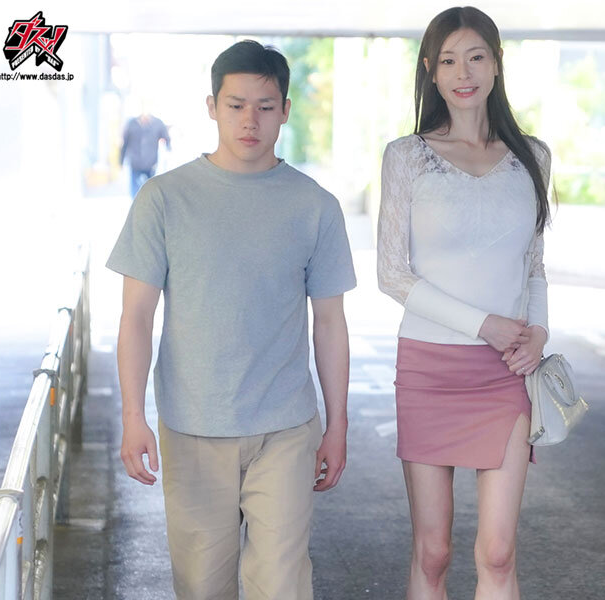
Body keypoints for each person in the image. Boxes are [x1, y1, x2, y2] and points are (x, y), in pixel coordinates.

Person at [107, 40, 356, 600]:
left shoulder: (315, 205)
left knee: (282, 585)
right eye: (236, 105)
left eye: (265, 107)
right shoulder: (164, 199)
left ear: (285, 111)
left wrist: (337, 424)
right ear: (212, 107)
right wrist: (133, 415)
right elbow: (136, 316)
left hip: (285, 427)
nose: (250, 121)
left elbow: (330, 323)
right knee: (202, 587)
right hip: (192, 425)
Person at [376, 6, 552, 599]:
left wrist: (538, 332)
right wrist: (485, 325)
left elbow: (534, 265)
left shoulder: (533, 157)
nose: (463, 72)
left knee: (498, 552)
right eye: (448, 60)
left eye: (475, 57)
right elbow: (392, 275)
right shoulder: (407, 156)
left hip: (506, 372)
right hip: (428, 368)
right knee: (433, 552)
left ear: (496, 64)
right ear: (431, 71)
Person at [120, 110, 171, 197]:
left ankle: (148, 202)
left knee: (150, 187)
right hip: (135, 162)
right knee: (134, 188)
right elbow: (125, 143)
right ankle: (136, 202)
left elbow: (166, 137)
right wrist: (121, 160)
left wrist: (168, 148)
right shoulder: (132, 124)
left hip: (151, 162)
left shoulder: (157, 123)